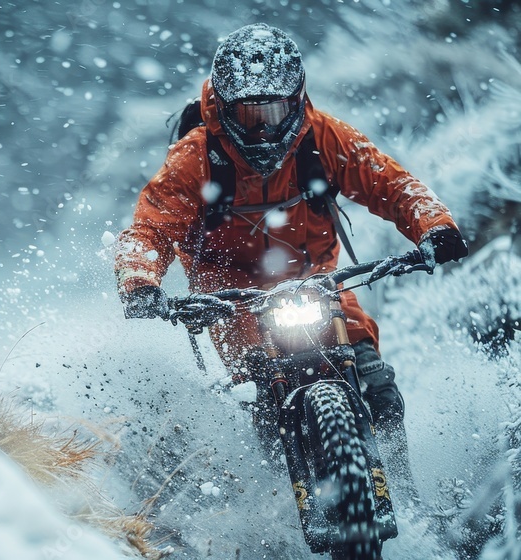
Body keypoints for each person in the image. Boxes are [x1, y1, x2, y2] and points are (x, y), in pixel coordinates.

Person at [114, 23, 468, 495]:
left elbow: (391, 183)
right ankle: (278, 494)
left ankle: (406, 491)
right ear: (224, 108)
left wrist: (436, 227)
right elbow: (150, 227)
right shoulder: (194, 157)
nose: (263, 129)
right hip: (229, 295)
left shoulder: (324, 138)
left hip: (314, 278)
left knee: (376, 381)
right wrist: (140, 282)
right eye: (249, 114)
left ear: (296, 100)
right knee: (261, 390)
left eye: (274, 111)